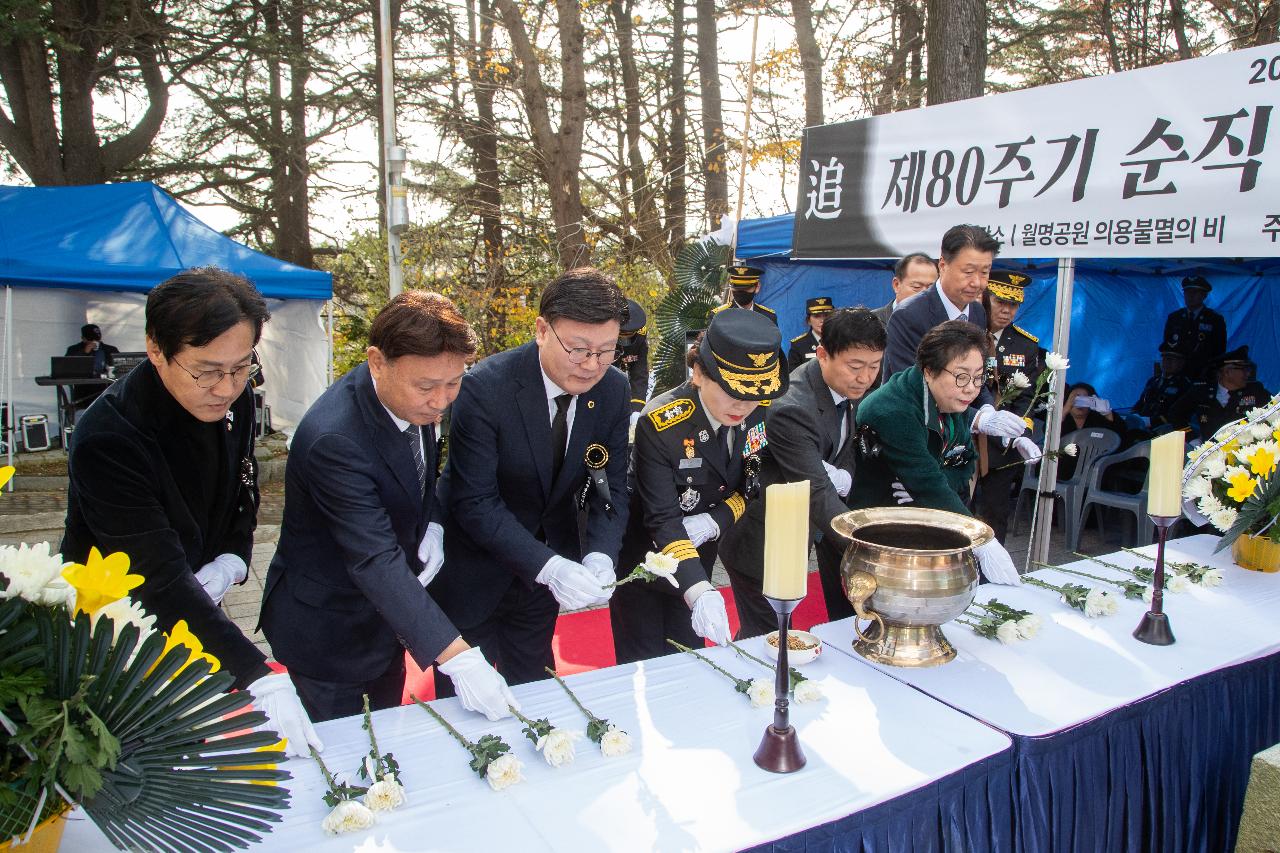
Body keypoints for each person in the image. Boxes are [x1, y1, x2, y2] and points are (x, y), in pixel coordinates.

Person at [60, 267, 321, 757]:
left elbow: (242, 488)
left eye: (243, 367)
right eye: (206, 370)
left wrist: (232, 559)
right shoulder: (109, 437)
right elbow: (153, 579)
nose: (226, 388)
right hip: (119, 628)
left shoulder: (235, 398)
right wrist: (255, 674)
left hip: (196, 604)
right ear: (156, 349)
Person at [258, 291, 517, 723]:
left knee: (387, 740)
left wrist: (432, 523)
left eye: (453, 383)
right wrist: (459, 658)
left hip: (386, 622)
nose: (441, 401)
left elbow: (419, 478)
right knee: (342, 762)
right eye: (427, 386)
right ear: (378, 362)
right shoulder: (335, 440)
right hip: (330, 629)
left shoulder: (409, 401)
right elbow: (373, 559)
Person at [431, 268, 631, 688]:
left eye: (607, 350)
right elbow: (474, 501)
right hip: (475, 571)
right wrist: (550, 567)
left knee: (538, 689)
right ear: (542, 330)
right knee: (468, 700)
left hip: (541, 581)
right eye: (578, 349)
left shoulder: (612, 390)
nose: (592, 365)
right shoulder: (486, 388)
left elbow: (608, 485)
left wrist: (600, 552)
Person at [610, 310, 787, 662]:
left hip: (699, 549)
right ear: (699, 373)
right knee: (642, 660)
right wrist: (699, 589)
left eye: (752, 394)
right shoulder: (661, 424)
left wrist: (716, 520)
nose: (742, 405)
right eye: (731, 392)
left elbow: (752, 476)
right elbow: (661, 517)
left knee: (691, 658)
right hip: (645, 559)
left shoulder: (755, 412)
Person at [719, 308, 886, 637]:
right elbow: (817, 492)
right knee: (769, 638)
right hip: (762, 544)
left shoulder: (842, 387)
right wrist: (869, 550)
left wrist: (846, 476)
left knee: (770, 635)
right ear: (823, 354)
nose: (865, 378)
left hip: (795, 532)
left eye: (874, 366)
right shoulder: (793, 407)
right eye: (855, 366)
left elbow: (848, 443)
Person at [850, 320, 1023, 586]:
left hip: (925, 518)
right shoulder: (894, 411)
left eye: (979, 377)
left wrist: (935, 480)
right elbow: (929, 484)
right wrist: (980, 539)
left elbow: (965, 463)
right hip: (876, 530)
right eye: (962, 376)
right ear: (929, 371)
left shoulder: (952, 399)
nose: (971, 388)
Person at [884, 224, 1026, 446]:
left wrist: (988, 407)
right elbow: (914, 389)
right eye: (968, 272)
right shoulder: (909, 315)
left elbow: (977, 373)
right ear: (943, 264)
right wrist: (978, 419)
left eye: (984, 272)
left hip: (955, 441)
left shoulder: (977, 312)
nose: (977, 282)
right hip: (913, 438)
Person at [974, 270, 1045, 542]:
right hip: (967, 434)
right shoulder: (967, 333)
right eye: (1000, 301)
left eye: (1013, 304)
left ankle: (992, 576)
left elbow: (1028, 398)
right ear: (985, 298)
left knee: (995, 513)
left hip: (1003, 446)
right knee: (960, 508)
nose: (1006, 310)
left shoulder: (1026, 345)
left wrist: (1018, 434)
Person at [1164, 346, 1272, 442]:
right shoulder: (1202, 391)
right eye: (1243, 370)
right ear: (1227, 372)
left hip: (1243, 453)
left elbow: (1274, 409)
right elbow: (1175, 414)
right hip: (1210, 455)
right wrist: (1192, 438)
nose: (1248, 374)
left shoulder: (1255, 391)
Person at [1058, 381, 1128, 480]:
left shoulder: (1097, 418)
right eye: (1076, 398)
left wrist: (1108, 414)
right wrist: (1065, 410)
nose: (1080, 403)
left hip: (1094, 470)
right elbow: (1048, 432)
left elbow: (1119, 435)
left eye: (1085, 399)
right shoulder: (1063, 418)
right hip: (1063, 470)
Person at [1162, 275, 1226, 380]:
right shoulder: (1174, 318)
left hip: (1203, 375)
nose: (1190, 296)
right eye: (1187, 292)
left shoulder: (1214, 319)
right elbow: (1168, 348)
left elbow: (1219, 351)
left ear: (1204, 295)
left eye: (1195, 292)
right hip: (1178, 375)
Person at [1134, 343, 1194, 426]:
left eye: (1172, 360)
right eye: (1165, 358)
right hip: (1142, 424)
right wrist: (1133, 415)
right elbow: (1140, 403)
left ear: (1181, 363)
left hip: (1163, 429)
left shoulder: (1184, 385)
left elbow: (1177, 414)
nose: (1167, 363)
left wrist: (1150, 421)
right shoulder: (1153, 381)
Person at [872, 253, 937, 329]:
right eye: (917, 287)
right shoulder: (871, 323)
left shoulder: (941, 323)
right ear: (896, 285)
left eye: (931, 288)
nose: (925, 294)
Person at [64, 323, 121, 408]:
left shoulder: (110, 349)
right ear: (83, 339)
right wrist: (85, 352)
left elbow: (120, 367)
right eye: (91, 339)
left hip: (105, 386)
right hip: (84, 388)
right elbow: (67, 366)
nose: (94, 342)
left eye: (97, 339)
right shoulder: (74, 349)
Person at [710, 265, 778, 325]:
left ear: (757, 287)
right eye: (737, 288)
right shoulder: (718, 316)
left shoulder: (768, 317)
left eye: (746, 288)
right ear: (731, 288)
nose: (741, 292)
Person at [619, 298, 650, 423]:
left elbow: (639, 372)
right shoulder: (601, 331)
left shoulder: (640, 335)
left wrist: (637, 407)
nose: (624, 341)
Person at [786, 296, 833, 371]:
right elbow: (793, 377)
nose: (822, 320)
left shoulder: (840, 341)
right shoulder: (798, 345)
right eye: (817, 316)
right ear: (809, 321)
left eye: (826, 316)